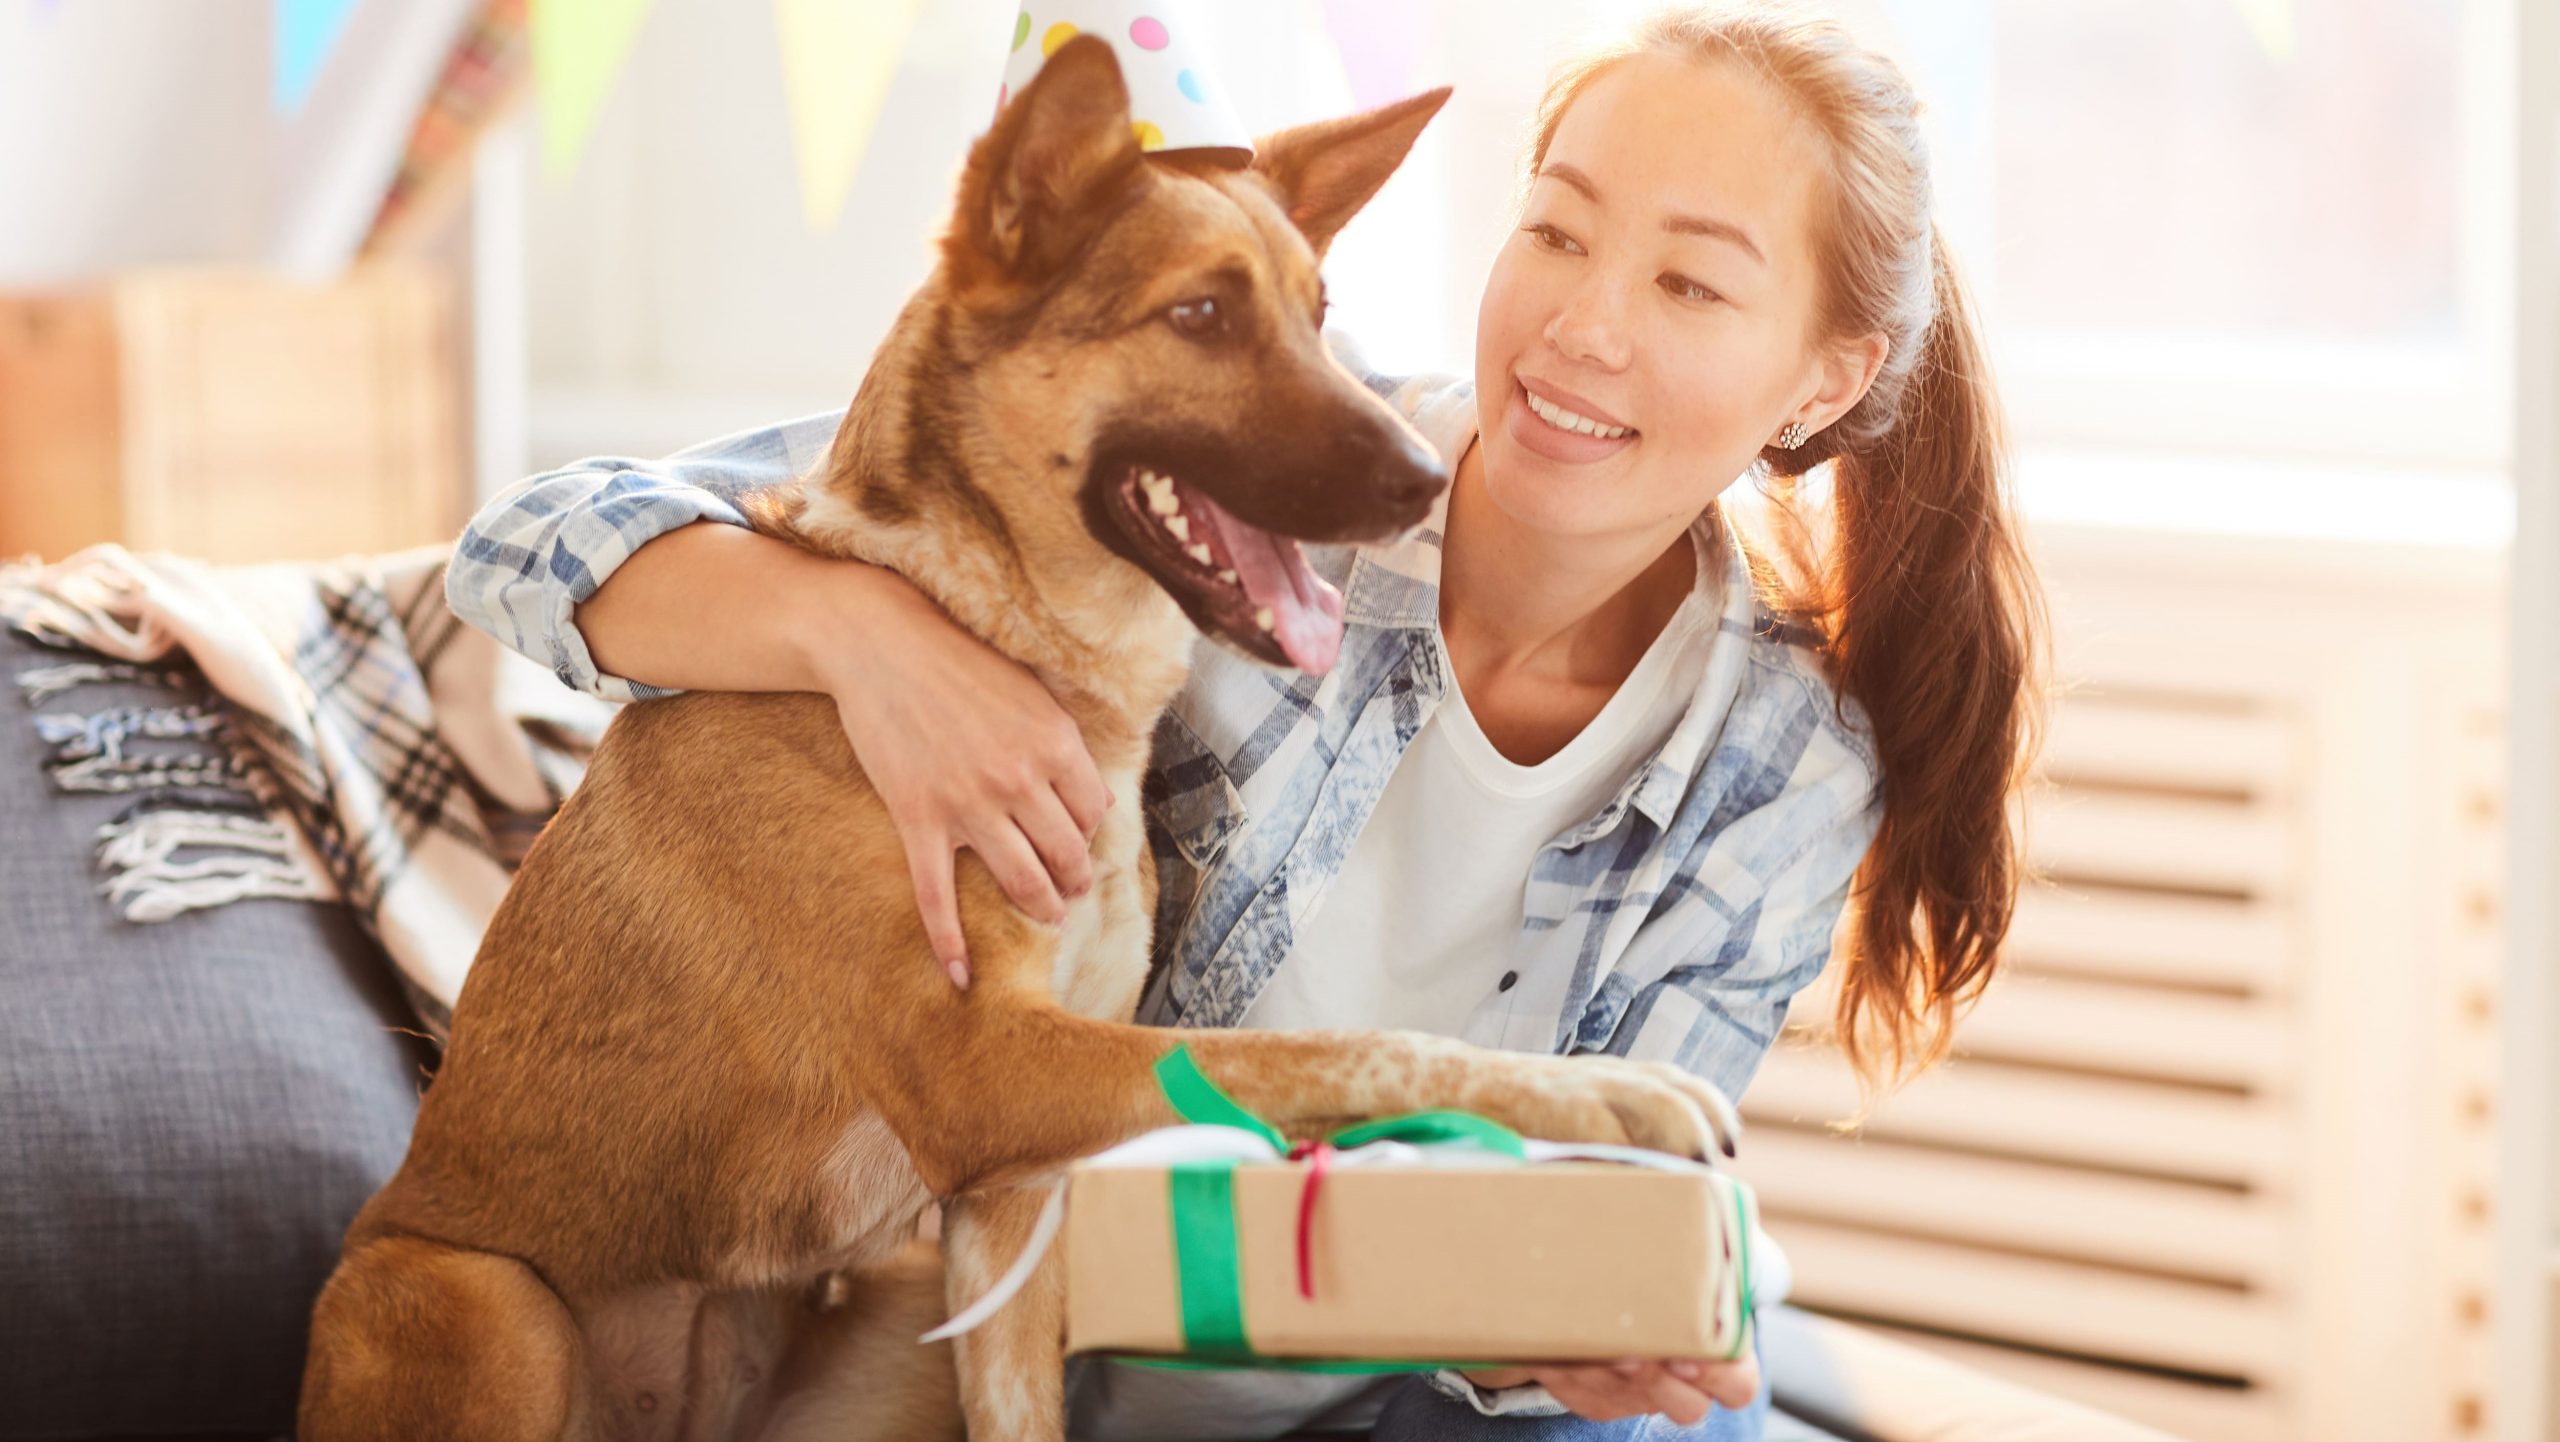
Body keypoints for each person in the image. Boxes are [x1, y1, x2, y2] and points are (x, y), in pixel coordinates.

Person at [444, 5, 2044, 1439]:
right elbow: (530, 547)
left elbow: (1601, 1217)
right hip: (1084, 1355)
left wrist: (1585, 1325)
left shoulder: (1784, 766)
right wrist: (856, 631)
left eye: (1690, 281)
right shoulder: (1194, 468)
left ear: (1824, 382)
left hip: (1446, 1397)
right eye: (1556, 232)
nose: (1583, 325)